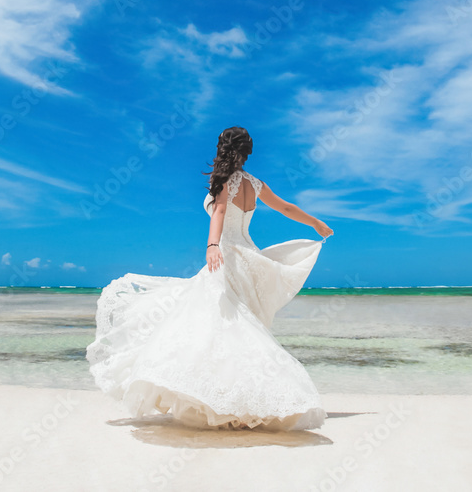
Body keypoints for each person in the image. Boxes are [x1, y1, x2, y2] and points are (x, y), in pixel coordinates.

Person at [85, 126, 335, 430]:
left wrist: (212, 246)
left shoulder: (225, 182)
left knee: (215, 329)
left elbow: (218, 212)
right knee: (238, 331)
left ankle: (226, 402)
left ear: (223, 149)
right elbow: (284, 207)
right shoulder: (255, 184)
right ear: (247, 152)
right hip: (250, 261)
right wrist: (315, 223)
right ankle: (241, 404)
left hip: (228, 257)